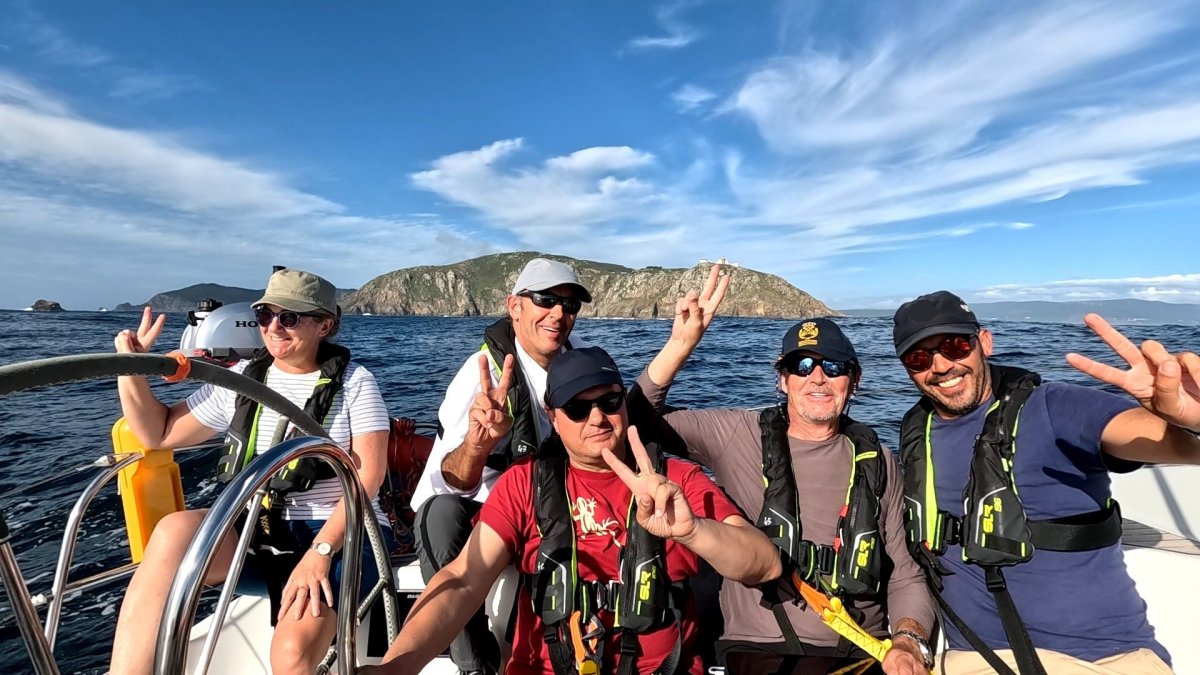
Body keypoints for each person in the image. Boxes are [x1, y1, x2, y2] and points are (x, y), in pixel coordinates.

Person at [365, 347, 782, 675]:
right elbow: (462, 580)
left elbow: (763, 564)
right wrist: (396, 667)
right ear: (553, 417)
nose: (598, 418)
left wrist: (692, 532)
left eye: (610, 401)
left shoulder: (673, 481)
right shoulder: (525, 484)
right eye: (578, 409)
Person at [409, 257, 728, 675]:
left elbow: (621, 415)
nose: (559, 313)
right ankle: (476, 664)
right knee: (441, 512)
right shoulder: (483, 375)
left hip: (548, 509)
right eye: (545, 299)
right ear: (515, 306)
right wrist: (477, 442)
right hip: (482, 509)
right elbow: (454, 481)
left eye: (570, 305)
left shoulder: (571, 367)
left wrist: (680, 345)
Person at [891, 292, 1200, 675]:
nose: (940, 365)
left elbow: (1173, 444)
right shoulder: (915, 434)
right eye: (919, 358)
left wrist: (1189, 418)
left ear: (983, 342)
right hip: (975, 660)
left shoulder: (1057, 408)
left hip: (1103, 659)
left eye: (954, 345)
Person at [108, 268, 393, 675]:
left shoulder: (357, 384)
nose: (273, 327)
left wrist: (320, 553)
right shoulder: (242, 380)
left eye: (289, 317)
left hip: (337, 536)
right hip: (256, 536)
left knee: (291, 657)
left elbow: (368, 478)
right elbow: (159, 433)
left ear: (324, 325)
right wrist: (131, 368)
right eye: (264, 315)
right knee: (173, 531)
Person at [638, 318, 934, 675]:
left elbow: (904, 572)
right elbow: (636, 418)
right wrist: (680, 345)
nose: (818, 378)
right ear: (782, 379)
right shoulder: (737, 434)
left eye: (835, 366)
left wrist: (907, 639)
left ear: (854, 381)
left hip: (861, 651)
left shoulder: (879, 460)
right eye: (802, 366)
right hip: (760, 651)